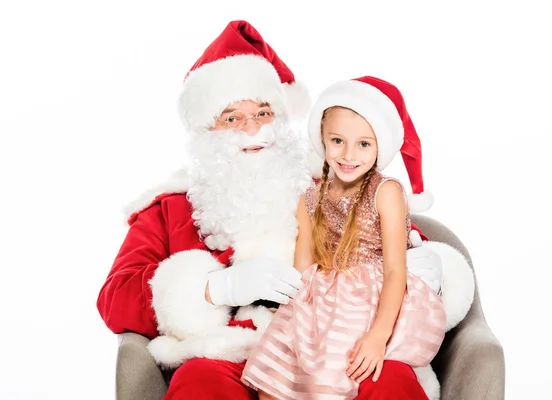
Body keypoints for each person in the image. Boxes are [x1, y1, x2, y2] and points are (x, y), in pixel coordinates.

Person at [96, 21, 474, 400]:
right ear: (204, 130)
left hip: (332, 342)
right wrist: (214, 289)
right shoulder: (169, 208)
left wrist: (430, 268)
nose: (253, 130)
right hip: (226, 351)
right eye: (232, 118)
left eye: (263, 114)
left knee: (391, 382)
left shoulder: (324, 185)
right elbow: (115, 297)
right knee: (199, 384)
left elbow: (397, 245)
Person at [242, 76, 449, 400]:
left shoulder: (386, 192)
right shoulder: (310, 199)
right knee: (279, 369)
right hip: (322, 294)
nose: (349, 154)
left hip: (372, 295)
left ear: (380, 145)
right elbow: (303, 268)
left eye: (364, 144)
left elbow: (396, 271)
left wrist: (378, 336)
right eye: (338, 141)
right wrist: (294, 322)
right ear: (322, 139)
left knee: (337, 363)